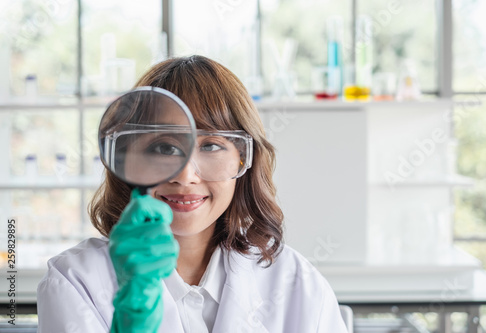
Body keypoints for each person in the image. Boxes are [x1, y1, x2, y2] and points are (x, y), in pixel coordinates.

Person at [37, 55, 348, 332]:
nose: (186, 176)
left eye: (211, 146)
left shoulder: (297, 284)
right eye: (163, 147)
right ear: (127, 160)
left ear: (244, 159)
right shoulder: (75, 281)